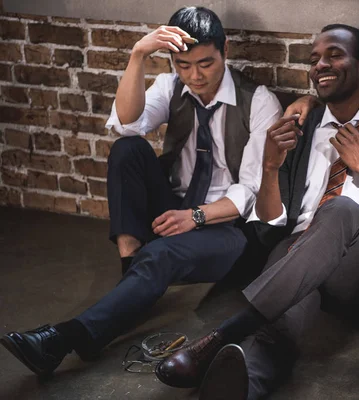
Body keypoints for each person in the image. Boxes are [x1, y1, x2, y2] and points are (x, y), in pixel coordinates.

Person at [1, 6, 281, 376]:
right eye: (183, 65)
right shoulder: (171, 85)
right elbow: (127, 125)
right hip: (176, 206)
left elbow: (252, 191)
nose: (195, 76)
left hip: (228, 228)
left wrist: (195, 217)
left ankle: (63, 340)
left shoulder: (258, 101)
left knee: (162, 254)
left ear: (225, 50)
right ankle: (133, 275)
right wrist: (137, 55)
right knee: (127, 149)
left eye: (205, 64)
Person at [153, 24, 359, 398]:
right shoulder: (298, 128)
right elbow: (269, 226)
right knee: (279, 322)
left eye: (334, 55)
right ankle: (245, 384)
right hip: (298, 255)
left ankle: (222, 334)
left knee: (342, 209)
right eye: (314, 59)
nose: (320, 65)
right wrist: (269, 167)